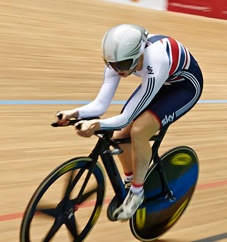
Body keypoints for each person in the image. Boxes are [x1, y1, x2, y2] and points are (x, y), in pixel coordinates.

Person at [55, 24, 204, 220]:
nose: (118, 70)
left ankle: (137, 193)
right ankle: (131, 181)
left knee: (139, 130)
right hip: (161, 80)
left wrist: (96, 125)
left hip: (184, 88)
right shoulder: (117, 61)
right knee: (118, 137)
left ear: (137, 55)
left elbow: (124, 119)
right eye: (112, 64)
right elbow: (100, 105)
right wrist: (74, 113)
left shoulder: (155, 60)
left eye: (123, 65)